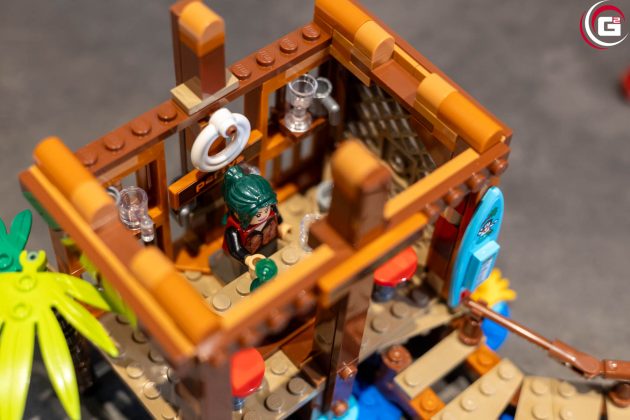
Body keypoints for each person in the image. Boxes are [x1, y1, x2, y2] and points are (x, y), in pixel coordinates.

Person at [222, 166, 290, 273]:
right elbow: (236, 249)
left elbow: (276, 213)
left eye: (266, 209)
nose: (264, 215)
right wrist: (247, 258)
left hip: (270, 244)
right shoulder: (234, 230)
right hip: (248, 260)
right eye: (257, 215)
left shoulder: (270, 210)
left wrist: (281, 224)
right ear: (239, 214)